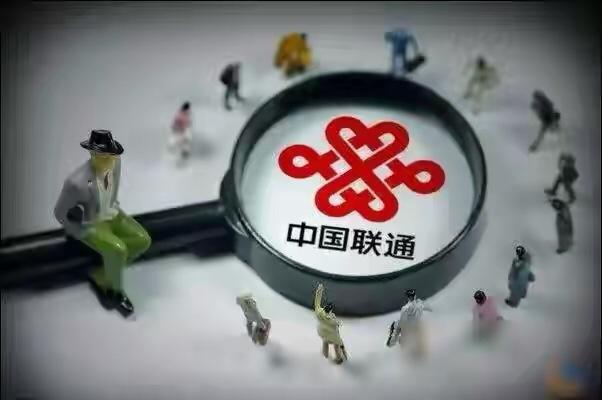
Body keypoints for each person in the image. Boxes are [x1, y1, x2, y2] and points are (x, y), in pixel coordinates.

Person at [54, 130, 151, 317]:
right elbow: (60, 213)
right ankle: (115, 291)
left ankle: (104, 273)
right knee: (118, 250)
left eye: (112, 156)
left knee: (143, 240)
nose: (110, 160)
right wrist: (79, 229)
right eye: (104, 156)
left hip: (111, 213)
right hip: (90, 222)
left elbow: (110, 193)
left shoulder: (115, 163)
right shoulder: (76, 183)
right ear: (93, 154)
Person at [387, 288, 432, 357]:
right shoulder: (419, 303)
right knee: (416, 336)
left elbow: (403, 322)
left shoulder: (406, 308)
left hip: (410, 326)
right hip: (415, 326)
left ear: (408, 297)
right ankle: (418, 350)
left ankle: (393, 342)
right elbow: (429, 308)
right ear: (414, 296)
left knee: (398, 328)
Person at [313, 283, 347, 364]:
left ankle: (325, 356)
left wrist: (319, 290)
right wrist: (342, 346)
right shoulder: (332, 321)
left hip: (322, 332)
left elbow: (317, 301)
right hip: (331, 335)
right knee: (336, 345)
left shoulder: (319, 312)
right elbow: (337, 336)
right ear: (330, 310)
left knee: (325, 342)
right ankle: (338, 359)